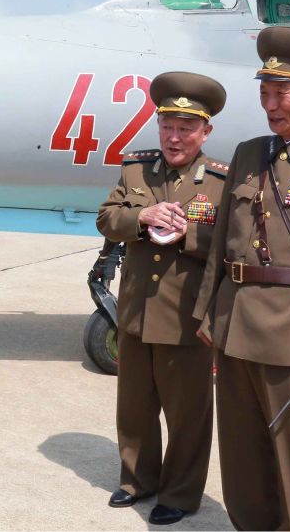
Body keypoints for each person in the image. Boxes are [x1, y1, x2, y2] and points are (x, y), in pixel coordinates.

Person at [194, 25, 290, 530]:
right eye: (264, 92)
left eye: (282, 92)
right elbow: (222, 243)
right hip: (234, 322)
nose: (270, 103)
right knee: (242, 459)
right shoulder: (249, 152)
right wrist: (205, 312)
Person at [97, 71, 228, 525]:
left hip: (186, 318)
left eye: (186, 128)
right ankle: (138, 481)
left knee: (188, 416)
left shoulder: (220, 181)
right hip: (135, 312)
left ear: (205, 131)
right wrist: (142, 214)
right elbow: (107, 218)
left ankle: (180, 493)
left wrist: (189, 233)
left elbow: (233, 244)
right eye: (168, 125)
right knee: (134, 408)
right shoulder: (136, 169)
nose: (175, 137)